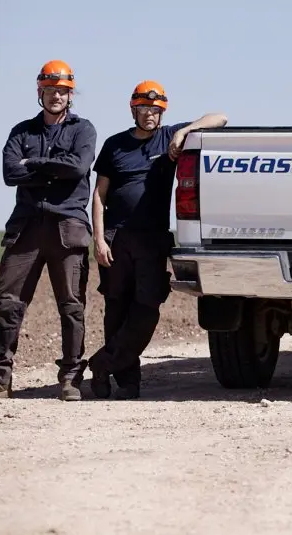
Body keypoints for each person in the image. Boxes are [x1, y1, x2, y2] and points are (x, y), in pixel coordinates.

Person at [0, 60, 97, 402]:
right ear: (40, 92)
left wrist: (33, 165)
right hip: (26, 228)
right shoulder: (22, 131)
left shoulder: (84, 130)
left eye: (63, 91)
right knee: (7, 302)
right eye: (50, 90)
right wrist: (55, 170)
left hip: (69, 227)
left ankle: (70, 378)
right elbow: (9, 174)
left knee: (71, 306)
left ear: (70, 95)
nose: (56, 96)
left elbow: (79, 167)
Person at [87, 81, 227, 399]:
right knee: (116, 308)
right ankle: (126, 382)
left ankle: (102, 362)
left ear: (162, 112)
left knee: (148, 307)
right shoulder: (115, 145)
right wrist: (98, 240)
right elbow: (99, 195)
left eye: (156, 109)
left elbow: (220, 117)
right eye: (144, 108)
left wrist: (183, 132)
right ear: (133, 109)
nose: (149, 114)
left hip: (152, 240)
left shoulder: (169, 138)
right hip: (115, 237)